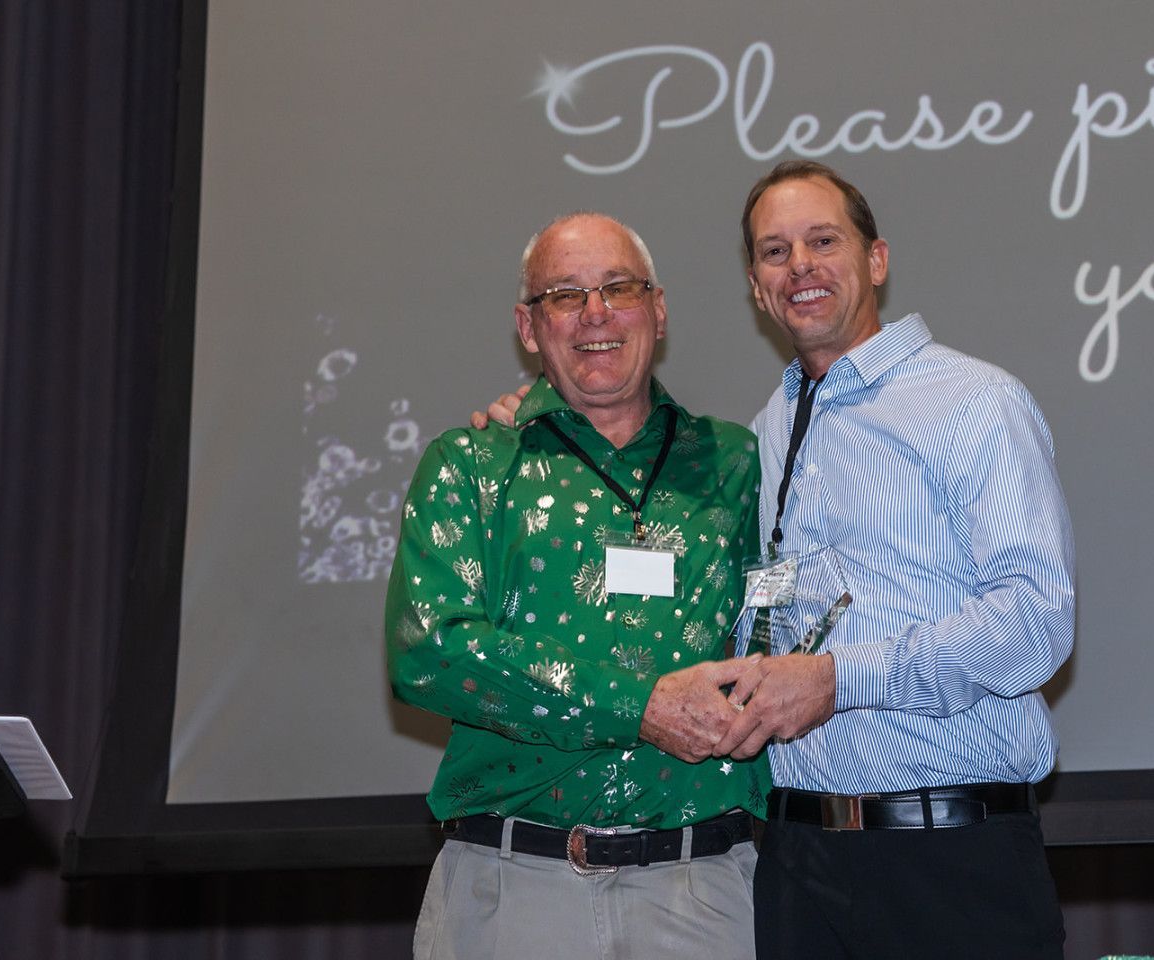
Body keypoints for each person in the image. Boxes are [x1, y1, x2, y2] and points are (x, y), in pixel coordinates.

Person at [385, 212, 769, 960]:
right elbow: (429, 650)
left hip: (703, 892)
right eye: (565, 295)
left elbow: (778, 621)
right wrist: (642, 707)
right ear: (528, 328)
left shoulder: (733, 462)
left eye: (618, 288)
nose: (596, 313)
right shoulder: (469, 465)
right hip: (511, 892)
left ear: (657, 310)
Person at [716, 160, 1075, 959]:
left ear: (875, 259)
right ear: (754, 284)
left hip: (948, 858)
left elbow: (1032, 622)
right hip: (798, 862)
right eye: (774, 252)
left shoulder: (972, 402)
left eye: (822, 240)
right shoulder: (770, 427)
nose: (798, 265)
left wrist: (840, 678)